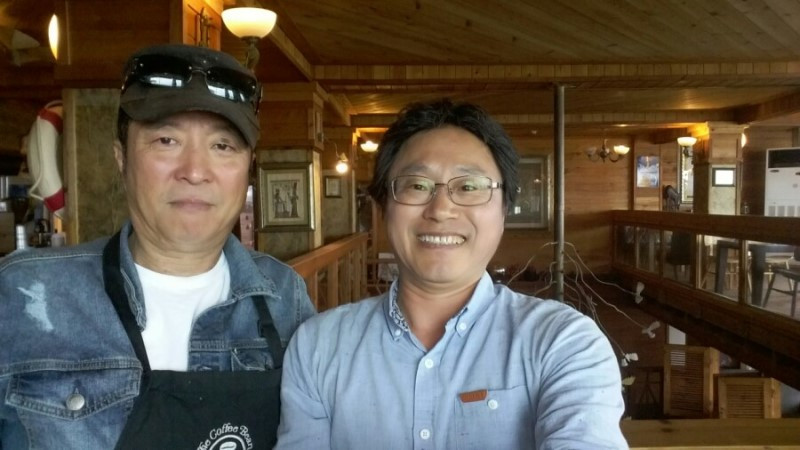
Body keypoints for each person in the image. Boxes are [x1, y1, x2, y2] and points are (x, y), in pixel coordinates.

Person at [0, 44, 315, 449]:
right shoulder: (24, 293)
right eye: (167, 140)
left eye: (222, 146)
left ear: (247, 168)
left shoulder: (285, 296)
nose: (195, 172)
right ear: (121, 158)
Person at [276, 99, 627, 449]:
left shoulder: (563, 342)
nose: (441, 209)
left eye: (469, 187)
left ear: (504, 210)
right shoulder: (318, 346)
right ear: (383, 208)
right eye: (417, 185)